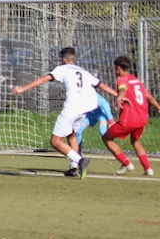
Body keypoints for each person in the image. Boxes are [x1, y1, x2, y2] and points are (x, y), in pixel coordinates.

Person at [12, 47, 117, 178]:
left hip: (72, 108)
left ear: (63, 59)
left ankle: (80, 160)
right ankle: (73, 168)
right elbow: (101, 84)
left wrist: (22, 88)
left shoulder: (62, 69)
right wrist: (117, 95)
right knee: (71, 135)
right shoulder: (83, 71)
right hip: (86, 108)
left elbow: (43, 79)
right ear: (74, 58)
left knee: (55, 141)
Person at [101, 56, 160, 176]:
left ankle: (126, 164)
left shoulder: (122, 80)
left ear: (118, 68)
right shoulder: (136, 80)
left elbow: (123, 90)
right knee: (135, 141)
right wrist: (158, 107)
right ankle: (148, 168)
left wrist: (119, 98)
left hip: (129, 119)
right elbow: (149, 97)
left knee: (106, 138)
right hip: (142, 118)